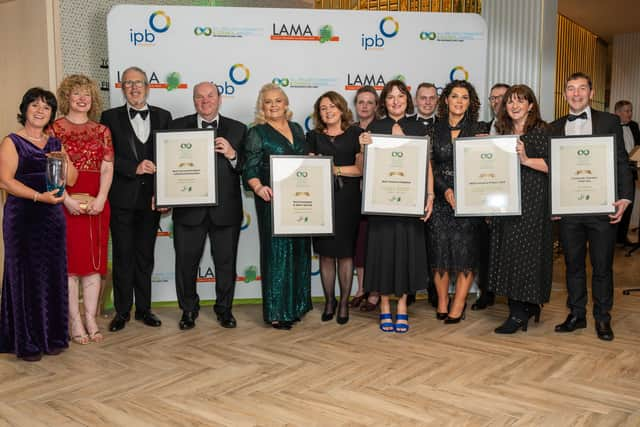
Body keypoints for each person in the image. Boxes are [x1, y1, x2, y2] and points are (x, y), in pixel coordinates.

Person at [551, 72, 633, 341]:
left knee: (601, 266)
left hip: (602, 207)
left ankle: (602, 318)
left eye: (581, 88)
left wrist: (625, 197)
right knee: (573, 265)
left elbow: (621, 161)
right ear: (565, 94)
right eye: (571, 89)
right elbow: (552, 170)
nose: (576, 94)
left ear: (591, 91)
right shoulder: (554, 126)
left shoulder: (609, 121)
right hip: (569, 210)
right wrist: (554, 203)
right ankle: (576, 314)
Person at [0, 88, 77, 361]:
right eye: (35, 105)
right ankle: (26, 339)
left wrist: (64, 160)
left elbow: (71, 180)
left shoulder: (55, 144)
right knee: (24, 275)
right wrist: (38, 196)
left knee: (52, 273)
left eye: (46, 107)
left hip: (52, 217)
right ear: (25, 109)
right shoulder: (12, 142)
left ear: (51, 114)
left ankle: (52, 336)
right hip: (22, 216)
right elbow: (5, 181)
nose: (40, 110)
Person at [169, 82, 246, 330]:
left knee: (225, 263)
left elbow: (246, 167)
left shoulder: (238, 129)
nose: (205, 101)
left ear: (219, 99)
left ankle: (224, 309)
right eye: (199, 97)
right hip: (188, 211)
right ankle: (188, 310)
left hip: (226, 211)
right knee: (186, 264)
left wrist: (233, 155)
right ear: (194, 101)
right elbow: (168, 165)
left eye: (210, 96)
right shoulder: (177, 126)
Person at [358, 79, 433, 333]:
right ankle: (384, 309)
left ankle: (402, 308)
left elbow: (427, 165)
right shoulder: (375, 127)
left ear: (407, 100)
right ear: (384, 101)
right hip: (382, 204)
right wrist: (363, 148)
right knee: (383, 255)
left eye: (400, 96)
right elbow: (363, 168)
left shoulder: (417, 127)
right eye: (390, 97)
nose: (396, 101)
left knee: (405, 254)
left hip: (410, 204)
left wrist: (430, 196)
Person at [101, 66, 172, 332]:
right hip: (121, 200)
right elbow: (105, 157)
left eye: (138, 83)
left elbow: (170, 158)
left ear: (147, 87)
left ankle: (144, 309)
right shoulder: (108, 117)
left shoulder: (165, 117)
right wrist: (133, 167)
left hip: (152, 201)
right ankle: (122, 311)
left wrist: (165, 194)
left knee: (145, 257)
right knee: (122, 256)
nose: (134, 87)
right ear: (122, 89)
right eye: (128, 83)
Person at [243, 83, 312, 330]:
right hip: (271, 201)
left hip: (298, 201)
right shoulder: (257, 132)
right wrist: (259, 188)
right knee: (277, 254)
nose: (273, 105)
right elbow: (249, 168)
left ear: (286, 104)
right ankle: (277, 311)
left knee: (299, 251)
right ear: (262, 107)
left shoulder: (296, 128)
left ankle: (295, 306)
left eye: (277, 101)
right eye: (268, 102)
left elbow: (303, 161)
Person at [51, 75, 114, 344]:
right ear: (67, 97)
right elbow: (52, 170)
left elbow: (107, 167)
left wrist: (101, 198)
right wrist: (66, 199)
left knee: (93, 266)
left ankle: (90, 317)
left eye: (86, 93)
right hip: (64, 203)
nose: (81, 98)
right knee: (69, 268)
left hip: (97, 203)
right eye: (76, 93)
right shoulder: (54, 129)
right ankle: (74, 320)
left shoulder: (102, 131)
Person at [488, 85, 552, 333]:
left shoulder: (543, 131)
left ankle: (519, 313)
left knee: (529, 255)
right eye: (510, 102)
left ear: (531, 105)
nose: (514, 106)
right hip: (506, 201)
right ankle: (525, 307)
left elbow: (554, 165)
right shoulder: (501, 131)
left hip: (534, 201)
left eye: (520, 101)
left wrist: (525, 160)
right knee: (509, 253)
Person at [427, 80, 487, 324]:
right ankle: (442, 301)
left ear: (470, 103)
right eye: (455, 96)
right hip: (440, 200)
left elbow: (483, 163)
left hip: (469, 200)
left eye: (464, 97)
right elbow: (430, 165)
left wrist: (461, 191)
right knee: (439, 253)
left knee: (466, 254)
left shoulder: (478, 128)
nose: (459, 101)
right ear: (446, 100)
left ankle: (459, 303)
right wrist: (445, 189)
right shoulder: (433, 129)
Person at [307, 91, 363, 325]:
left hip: (348, 200)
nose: (328, 111)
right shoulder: (312, 136)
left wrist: (333, 169)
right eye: (323, 108)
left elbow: (359, 169)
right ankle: (329, 300)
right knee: (326, 254)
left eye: (332, 106)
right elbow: (310, 167)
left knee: (346, 254)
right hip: (321, 200)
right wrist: (329, 167)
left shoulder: (356, 134)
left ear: (341, 109)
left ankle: (343, 303)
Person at [472, 82, 510, 312]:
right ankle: (486, 293)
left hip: (512, 202)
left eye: (502, 97)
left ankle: (515, 296)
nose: (497, 101)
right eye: (493, 98)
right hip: (486, 201)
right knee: (485, 250)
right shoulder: (483, 128)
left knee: (510, 251)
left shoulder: (521, 129)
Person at [350, 86, 379, 312]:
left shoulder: (384, 129)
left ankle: (376, 292)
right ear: (355, 105)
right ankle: (361, 288)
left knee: (377, 245)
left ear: (376, 106)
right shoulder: (349, 131)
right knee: (359, 244)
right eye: (361, 102)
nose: (365, 106)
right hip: (355, 197)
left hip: (381, 197)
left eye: (370, 102)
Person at [614, 100, 640, 246]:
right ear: (617, 112)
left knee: (629, 206)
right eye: (626, 111)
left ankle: (622, 238)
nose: (629, 113)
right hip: (617, 173)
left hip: (632, 172)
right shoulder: (611, 125)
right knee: (616, 206)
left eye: (630, 110)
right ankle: (612, 238)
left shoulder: (634, 126)